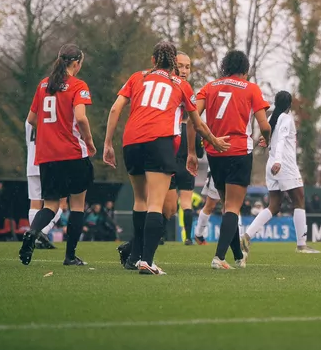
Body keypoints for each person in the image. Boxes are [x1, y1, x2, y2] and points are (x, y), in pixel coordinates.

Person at [103, 41, 228, 275]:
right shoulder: (181, 85)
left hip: (131, 142)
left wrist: (108, 143)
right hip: (158, 142)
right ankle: (146, 261)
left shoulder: (137, 77)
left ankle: (134, 255)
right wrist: (214, 141)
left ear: (153, 60)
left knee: (142, 201)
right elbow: (197, 123)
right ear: (173, 63)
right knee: (156, 205)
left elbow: (114, 108)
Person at [18, 44, 96, 267]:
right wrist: (89, 143)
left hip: (47, 156)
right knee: (77, 205)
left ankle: (33, 232)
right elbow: (81, 118)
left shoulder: (44, 84)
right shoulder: (78, 85)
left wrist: (50, 131)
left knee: (50, 205)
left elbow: (31, 119)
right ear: (76, 63)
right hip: (72, 153)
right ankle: (70, 256)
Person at [195, 49, 270, 270]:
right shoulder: (251, 88)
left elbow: (193, 117)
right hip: (238, 151)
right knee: (233, 207)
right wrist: (267, 139)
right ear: (245, 70)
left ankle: (238, 255)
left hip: (214, 151)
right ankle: (219, 257)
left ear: (224, 68)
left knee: (228, 205)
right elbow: (264, 125)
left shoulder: (210, 87)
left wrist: (197, 145)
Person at [241, 90, 321, 254]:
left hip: (271, 165)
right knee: (299, 200)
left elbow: (268, 138)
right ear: (289, 104)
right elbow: (282, 140)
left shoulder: (271, 118)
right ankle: (301, 245)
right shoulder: (286, 119)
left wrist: (268, 148)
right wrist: (278, 161)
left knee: (274, 205)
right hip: (283, 164)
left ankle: (247, 235)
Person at [167, 52, 201, 246]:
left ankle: (162, 237)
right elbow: (198, 142)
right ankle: (188, 238)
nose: (184, 70)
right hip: (181, 162)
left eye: (188, 67)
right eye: (181, 66)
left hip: (175, 161)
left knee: (166, 204)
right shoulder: (174, 90)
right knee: (182, 203)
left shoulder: (187, 92)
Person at [25, 122, 63, 250]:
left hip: (31, 163)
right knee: (59, 202)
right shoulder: (49, 117)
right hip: (47, 162)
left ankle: (33, 236)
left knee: (34, 203)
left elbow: (27, 142)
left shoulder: (28, 120)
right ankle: (42, 233)